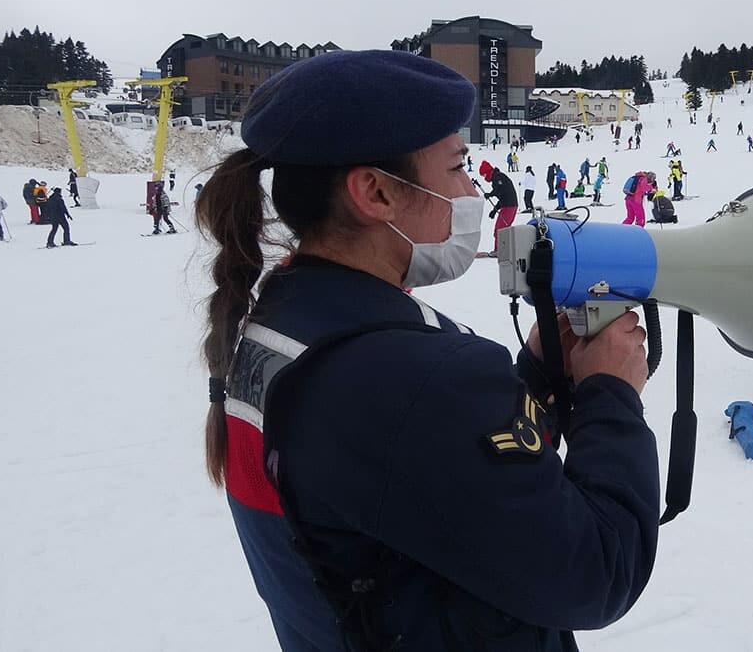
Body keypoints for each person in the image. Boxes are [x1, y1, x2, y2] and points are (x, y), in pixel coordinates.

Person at [193, 49, 658, 652]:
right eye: (457, 167)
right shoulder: (414, 375)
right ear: (375, 193)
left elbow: (414, 473)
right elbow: (596, 571)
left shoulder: (282, 322)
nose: (470, 190)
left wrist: (536, 378)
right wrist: (611, 394)